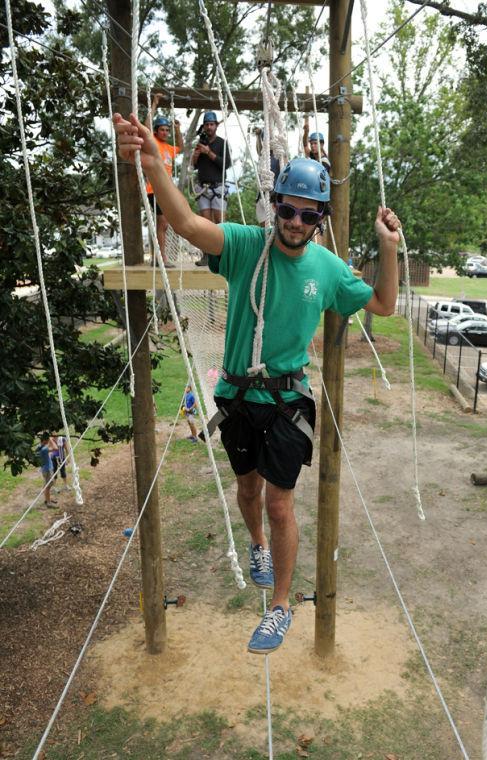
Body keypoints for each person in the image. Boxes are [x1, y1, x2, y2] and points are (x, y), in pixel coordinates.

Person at [114, 112, 400, 656]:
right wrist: (155, 166)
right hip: (239, 396)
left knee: (279, 502)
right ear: (275, 207)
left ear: (319, 218)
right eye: (287, 210)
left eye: (306, 214)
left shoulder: (328, 268)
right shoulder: (247, 245)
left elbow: (383, 303)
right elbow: (190, 226)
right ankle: (258, 548)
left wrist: (388, 248)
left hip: (287, 400)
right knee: (247, 491)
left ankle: (281, 606)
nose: (294, 222)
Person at [145, 92, 184, 261]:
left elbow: (180, 147)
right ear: (156, 131)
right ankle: (162, 258)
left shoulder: (168, 148)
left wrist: (178, 130)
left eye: (167, 130)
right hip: (154, 188)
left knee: (164, 224)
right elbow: (146, 126)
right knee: (162, 222)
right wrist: (154, 103)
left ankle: (159, 256)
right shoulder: (152, 142)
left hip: (165, 189)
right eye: (162, 129)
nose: (165, 132)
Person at [191, 111, 232, 266]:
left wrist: (209, 153)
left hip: (218, 187)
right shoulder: (200, 143)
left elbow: (226, 164)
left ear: (216, 125)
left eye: (211, 124)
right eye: (207, 125)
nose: (209, 127)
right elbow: (194, 166)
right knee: (205, 225)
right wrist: (196, 155)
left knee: (221, 223)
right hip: (203, 188)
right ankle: (207, 256)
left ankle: (225, 255)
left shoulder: (222, 143)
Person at [254, 127, 280, 227]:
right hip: (261, 197)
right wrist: (258, 136)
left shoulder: (278, 156)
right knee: (263, 230)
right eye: (265, 139)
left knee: (272, 228)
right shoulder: (263, 156)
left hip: (271, 197)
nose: (267, 142)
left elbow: (285, 166)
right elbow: (259, 149)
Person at [36, 432, 56, 508]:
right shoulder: (44, 449)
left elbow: (49, 448)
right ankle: (48, 503)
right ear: (45, 440)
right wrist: (51, 440)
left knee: (46, 485)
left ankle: (47, 499)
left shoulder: (39, 447)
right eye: (47, 440)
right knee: (48, 486)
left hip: (44, 469)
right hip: (47, 469)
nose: (48, 441)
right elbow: (55, 448)